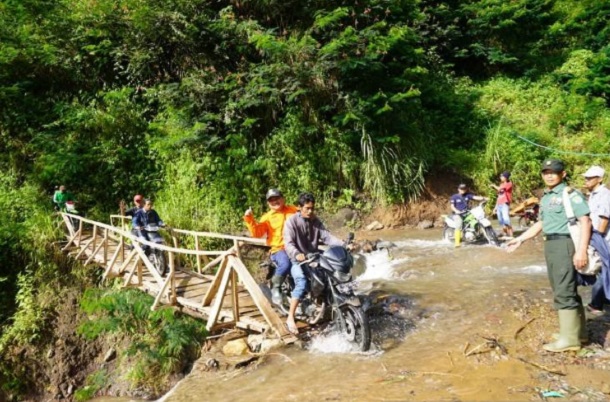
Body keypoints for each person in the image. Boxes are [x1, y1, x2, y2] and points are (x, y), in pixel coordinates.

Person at [507, 159, 591, 353]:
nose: (550, 175)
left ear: (563, 174)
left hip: (565, 243)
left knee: (564, 290)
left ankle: (569, 339)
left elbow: (585, 221)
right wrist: (520, 239)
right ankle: (579, 332)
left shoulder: (570, 194)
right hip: (551, 244)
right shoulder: (545, 198)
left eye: (554, 172)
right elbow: (541, 224)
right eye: (546, 172)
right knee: (563, 287)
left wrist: (581, 250)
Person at [283, 192, 344, 335]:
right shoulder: (291, 222)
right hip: (296, 259)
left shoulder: (316, 221)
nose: (310, 211)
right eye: (307, 208)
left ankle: (327, 303)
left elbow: (328, 237)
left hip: (314, 256)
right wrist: (297, 254)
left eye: (312, 208)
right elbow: (288, 243)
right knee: (301, 282)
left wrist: (344, 245)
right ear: (299, 208)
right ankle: (290, 317)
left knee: (332, 273)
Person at [244, 189, 298, 306]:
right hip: (279, 249)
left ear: (283, 198)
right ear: (268, 203)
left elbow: (306, 218)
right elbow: (257, 233)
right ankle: (275, 287)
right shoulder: (267, 217)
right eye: (271, 200)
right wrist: (249, 219)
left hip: (296, 247)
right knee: (285, 264)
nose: (275, 201)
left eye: (277, 198)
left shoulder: (293, 210)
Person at [582, 165, 610, 315]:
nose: (586, 180)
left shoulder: (604, 194)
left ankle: (596, 303)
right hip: (595, 235)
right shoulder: (592, 194)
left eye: (590, 178)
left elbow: (605, 217)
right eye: (586, 177)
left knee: (606, 268)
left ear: (599, 179)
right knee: (600, 268)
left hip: (603, 237)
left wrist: (597, 236)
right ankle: (604, 299)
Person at [490, 171, 514, 238]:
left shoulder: (509, 183)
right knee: (501, 220)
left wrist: (494, 186)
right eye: (500, 176)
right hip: (499, 204)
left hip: (505, 204)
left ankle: (511, 235)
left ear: (506, 177)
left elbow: (500, 188)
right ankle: (505, 234)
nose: (500, 177)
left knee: (506, 219)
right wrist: (495, 208)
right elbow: (499, 197)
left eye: (502, 176)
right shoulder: (501, 184)